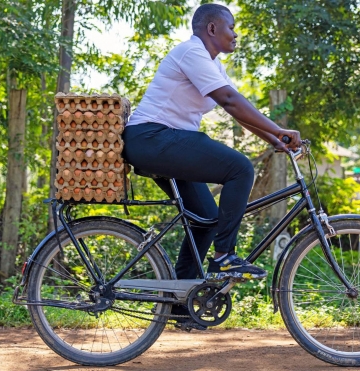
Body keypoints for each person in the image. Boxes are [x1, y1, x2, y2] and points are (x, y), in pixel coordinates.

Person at [122, 3, 301, 329]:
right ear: (212, 29)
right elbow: (230, 102)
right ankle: (224, 257)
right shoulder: (192, 53)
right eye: (231, 27)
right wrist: (279, 131)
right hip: (152, 138)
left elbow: (236, 108)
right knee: (240, 168)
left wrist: (274, 138)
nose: (236, 34)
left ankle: (177, 305)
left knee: (206, 219)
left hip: (165, 143)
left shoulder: (213, 66)